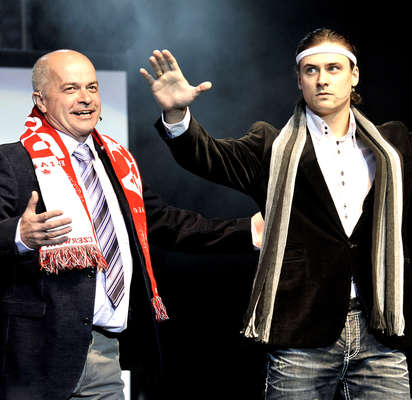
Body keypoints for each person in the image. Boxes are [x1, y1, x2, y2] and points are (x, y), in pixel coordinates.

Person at [140, 28, 412, 399]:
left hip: (381, 330)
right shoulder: (270, 146)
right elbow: (209, 157)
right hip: (301, 332)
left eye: (333, 68)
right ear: (299, 80)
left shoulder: (394, 145)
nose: (322, 79)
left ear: (354, 76)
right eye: (311, 70)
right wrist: (178, 116)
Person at [0, 49, 260, 400]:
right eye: (71, 88)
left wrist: (249, 230)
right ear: (41, 101)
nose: (85, 98)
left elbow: (165, 223)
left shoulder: (116, 162)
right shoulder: (12, 162)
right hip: (33, 356)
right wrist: (19, 235)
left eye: (92, 87)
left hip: (104, 352)